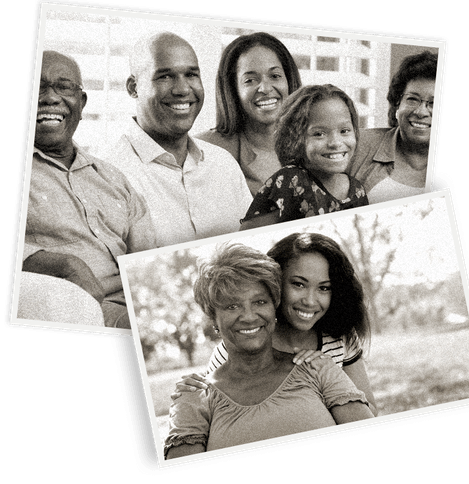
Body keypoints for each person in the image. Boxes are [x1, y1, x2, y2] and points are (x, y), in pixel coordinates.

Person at [165, 243, 373, 458]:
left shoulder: (319, 368)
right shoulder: (194, 396)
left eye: (260, 302)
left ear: (275, 307)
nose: (248, 316)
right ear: (213, 320)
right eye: (231, 306)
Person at [22, 51, 156, 328]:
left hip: (138, 303)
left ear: (81, 104)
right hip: (77, 310)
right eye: (37, 86)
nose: (50, 97)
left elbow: (147, 259)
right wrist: (64, 264)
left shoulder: (113, 178)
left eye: (64, 86)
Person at [107, 33, 253, 247]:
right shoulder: (110, 174)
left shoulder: (224, 165)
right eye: (164, 76)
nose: (183, 89)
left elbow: (255, 248)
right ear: (133, 87)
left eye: (191, 75)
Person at [240, 85, 368, 230]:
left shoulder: (357, 190)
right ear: (294, 138)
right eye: (319, 134)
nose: (336, 143)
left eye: (344, 131)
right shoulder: (291, 180)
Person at [196, 32, 302, 196]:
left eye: (275, 76)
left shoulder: (318, 144)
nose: (265, 88)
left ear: (288, 81)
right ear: (233, 90)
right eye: (250, 80)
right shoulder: (206, 149)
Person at [347, 51, 437, 204]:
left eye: (434, 103)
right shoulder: (357, 144)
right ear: (397, 104)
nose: (421, 112)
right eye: (412, 99)